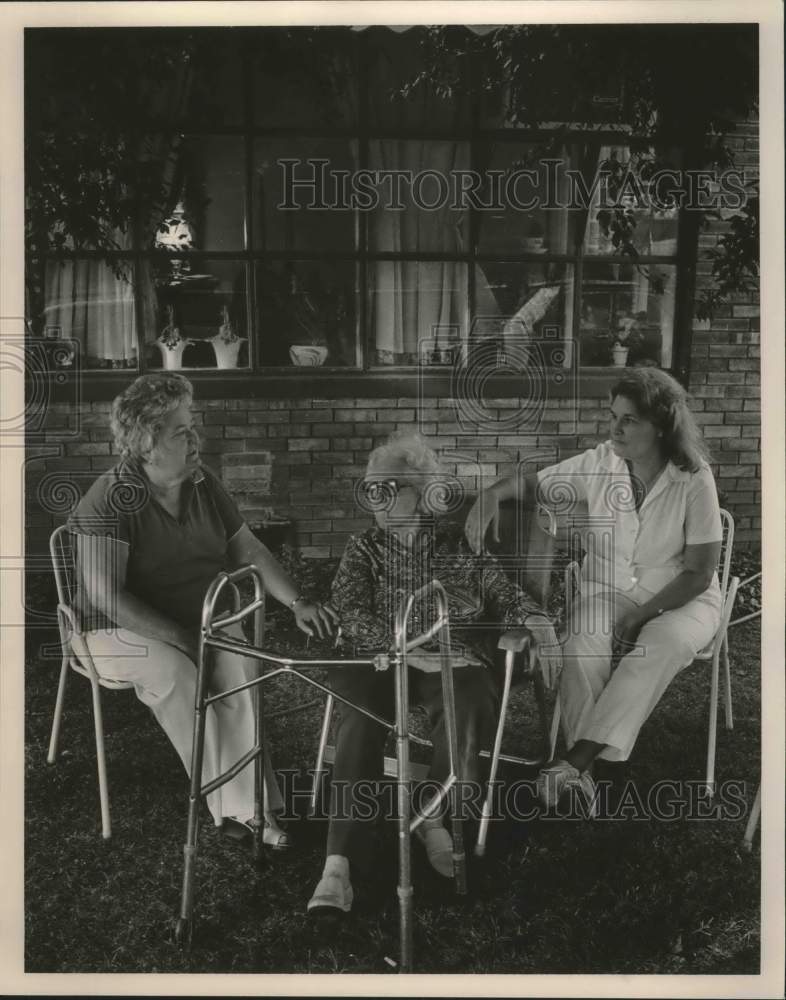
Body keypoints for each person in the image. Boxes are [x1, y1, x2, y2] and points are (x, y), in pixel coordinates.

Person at [67, 373, 337, 847]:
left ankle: (255, 806)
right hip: (112, 630)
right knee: (179, 674)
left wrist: (297, 600)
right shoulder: (112, 498)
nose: (195, 439)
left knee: (237, 670)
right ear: (147, 444)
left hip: (198, 621)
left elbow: (248, 551)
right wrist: (189, 642)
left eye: (192, 427)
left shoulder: (202, 483)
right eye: (181, 431)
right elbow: (106, 597)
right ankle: (239, 809)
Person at [307, 431, 560, 916]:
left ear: (422, 491)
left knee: (467, 696)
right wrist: (409, 650)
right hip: (381, 658)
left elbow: (503, 591)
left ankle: (433, 816)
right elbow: (351, 612)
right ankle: (338, 861)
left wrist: (536, 618)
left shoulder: (459, 546)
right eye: (369, 489)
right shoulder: (365, 548)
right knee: (359, 714)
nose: (374, 500)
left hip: (453, 658)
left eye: (386, 487)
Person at [465, 367, 723, 810]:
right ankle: (583, 772)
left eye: (629, 420)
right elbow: (532, 484)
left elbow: (699, 572)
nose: (615, 428)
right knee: (582, 641)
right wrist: (491, 495)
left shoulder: (693, 478)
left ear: (660, 426)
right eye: (613, 416)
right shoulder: (600, 463)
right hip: (606, 591)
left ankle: (576, 759)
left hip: (682, 599)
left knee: (659, 646)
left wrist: (641, 616)